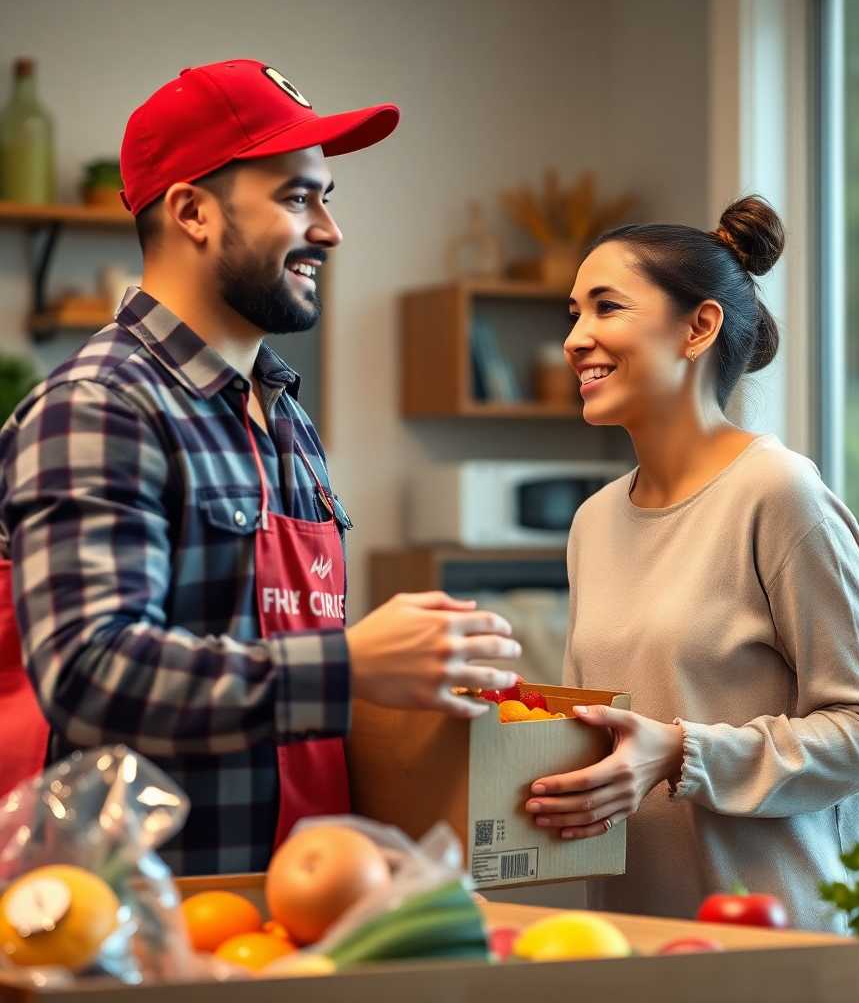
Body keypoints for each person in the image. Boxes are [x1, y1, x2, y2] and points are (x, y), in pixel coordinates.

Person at [0, 59, 521, 874]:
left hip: (297, 908)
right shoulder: (99, 407)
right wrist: (351, 665)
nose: (330, 231)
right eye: (295, 198)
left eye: (326, 199)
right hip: (145, 925)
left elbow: (257, 638)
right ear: (192, 212)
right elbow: (90, 669)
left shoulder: (284, 415)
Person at [522, 196, 859, 932]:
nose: (575, 339)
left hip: (779, 940)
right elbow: (608, 740)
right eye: (573, 315)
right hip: (634, 938)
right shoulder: (593, 523)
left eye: (606, 308)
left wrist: (683, 752)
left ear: (699, 326)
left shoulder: (779, 495)